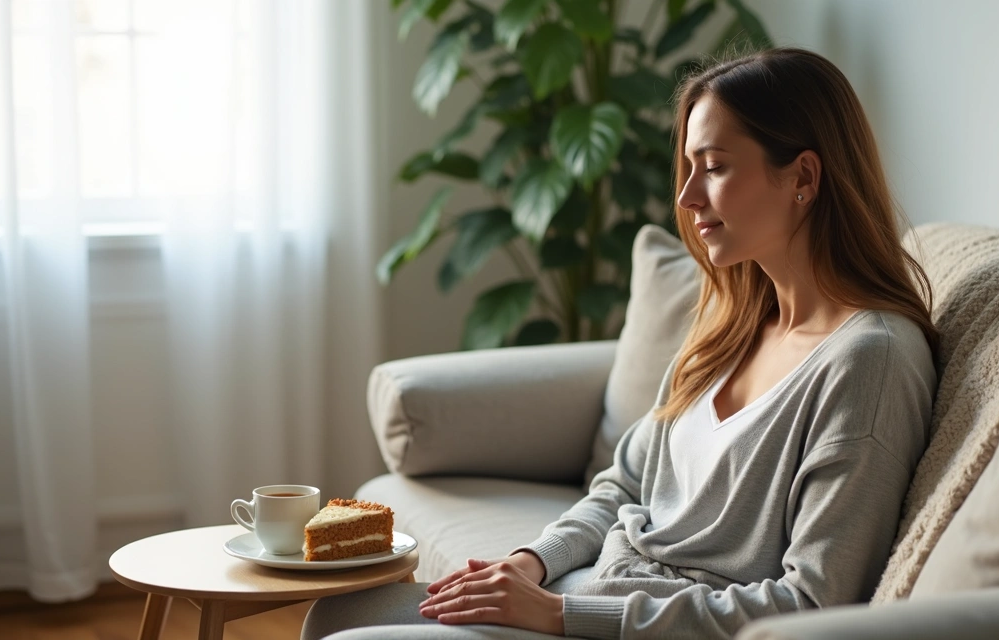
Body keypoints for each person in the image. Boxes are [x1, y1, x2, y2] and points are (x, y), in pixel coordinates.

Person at [301, 46, 939, 640]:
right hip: (591, 591)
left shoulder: (871, 361)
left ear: (803, 176)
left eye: (713, 168)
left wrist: (562, 613)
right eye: (687, 169)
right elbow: (624, 485)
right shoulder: (732, 326)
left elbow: (812, 606)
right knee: (340, 612)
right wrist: (532, 564)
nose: (686, 199)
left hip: (621, 626)